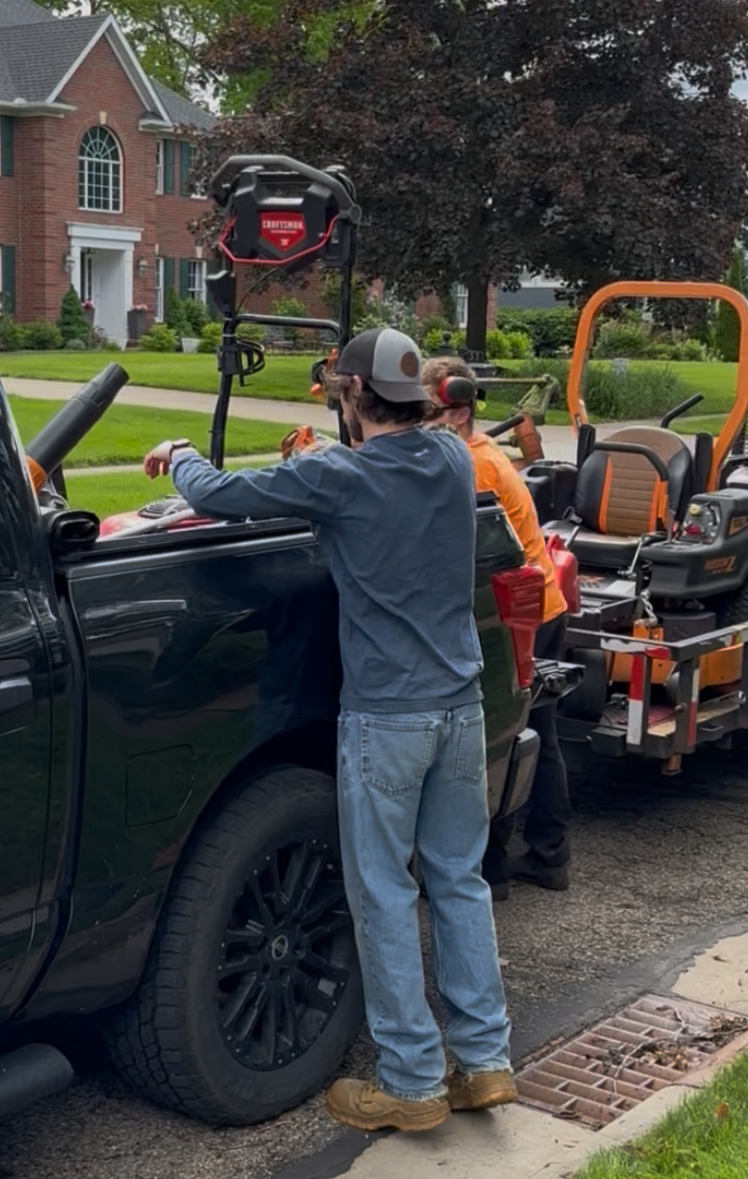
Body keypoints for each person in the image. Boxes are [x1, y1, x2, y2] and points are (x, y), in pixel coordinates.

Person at [143, 327, 516, 1134]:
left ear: (349, 393)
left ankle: (413, 1081)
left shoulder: (338, 475)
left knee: (381, 890)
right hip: (459, 705)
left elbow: (218, 493)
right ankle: (484, 1062)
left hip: (387, 716)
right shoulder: (452, 460)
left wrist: (176, 452)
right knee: (457, 879)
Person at [422, 356, 572, 900]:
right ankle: (541, 855)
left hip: (520, 613)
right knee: (531, 731)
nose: (420, 421)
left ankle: (496, 866)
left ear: (458, 411)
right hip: (532, 604)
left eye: (429, 411)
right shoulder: (468, 453)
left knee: (499, 733)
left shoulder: (475, 466)